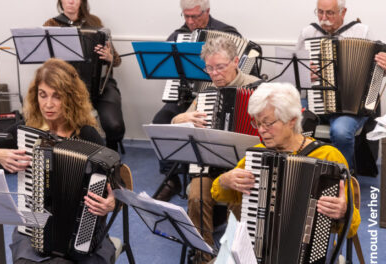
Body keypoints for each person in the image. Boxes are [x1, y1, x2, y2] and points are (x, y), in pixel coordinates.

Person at [0, 58, 117, 264]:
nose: (48, 104)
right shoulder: (26, 132)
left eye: (57, 97)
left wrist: (112, 203)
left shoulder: (86, 134)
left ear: (70, 98)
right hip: (34, 224)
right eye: (43, 95)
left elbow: (118, 183)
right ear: (35, 96)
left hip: (81, 230)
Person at [211, 82, 360, 250]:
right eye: (257, 123)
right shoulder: (257, 156)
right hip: (260, 247)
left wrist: (344, 212)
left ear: (292, 121)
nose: (260, 130)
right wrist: (224, 180)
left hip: (308, 251)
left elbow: (351, 228)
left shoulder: (328, 157)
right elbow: (219, 195)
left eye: (268, 123)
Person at [170, 37, 260, 263]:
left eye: (220, 67)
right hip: (211, 166)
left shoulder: (258, 88)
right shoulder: (206, 94)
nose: (214, 74)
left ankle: (236, 256)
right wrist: (182, 118)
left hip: (247, 168)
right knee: (195, 195)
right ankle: (205, 255)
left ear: (236, 61)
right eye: (209, 68)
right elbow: (175, 125)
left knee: (238, 201)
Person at [153, 0, 242, 202]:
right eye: (186, 16)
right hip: (186, 97)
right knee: (160, 121)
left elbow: (242, 67)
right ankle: (172, 178)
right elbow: (164, 64)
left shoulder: (227, 33)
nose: (191, 22)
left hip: (218, 97)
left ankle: (199, 175)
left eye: (195, 16)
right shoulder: (179, 36)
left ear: (207, 12)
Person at [296, 0, 383, 170]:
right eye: (320, 12)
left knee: (341, 132)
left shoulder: (362, 32)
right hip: (315, 100)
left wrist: (384, 66)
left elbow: (377, 73)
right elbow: (294, 75)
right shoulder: (308, 33)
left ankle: (343, 178)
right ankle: (301, 172)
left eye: (330, 13)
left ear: (343, 12)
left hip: (350, 105)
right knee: (289, 120)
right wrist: (306, 74)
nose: (323, 18)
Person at [43, 0, 125, 151]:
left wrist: (110, 57)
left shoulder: (95, 22)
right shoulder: (51, 25)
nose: (71, 1)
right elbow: (47, 64)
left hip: (100, 85)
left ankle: (111, 152)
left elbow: (117, 60)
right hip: (68, 88)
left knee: (115, 126)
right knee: (77, 129)